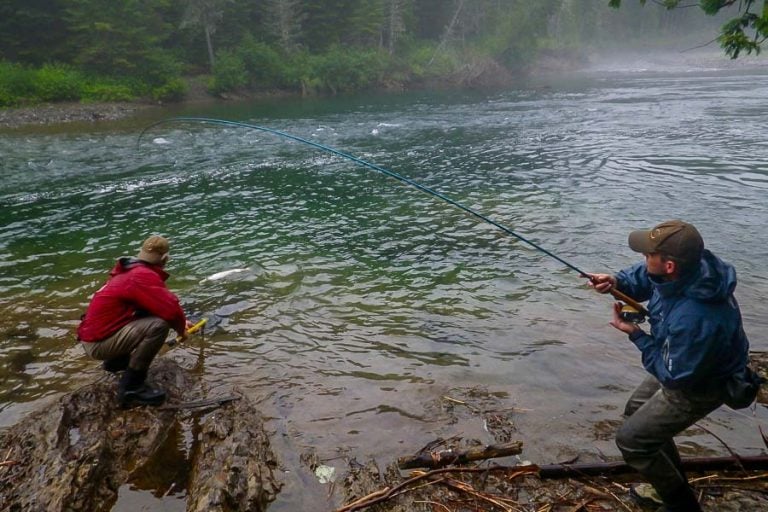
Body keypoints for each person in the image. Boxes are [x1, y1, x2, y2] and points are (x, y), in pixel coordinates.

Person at [590, 220, 759, 512]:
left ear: (669, 265)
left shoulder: (696, 318)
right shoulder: (687, 270)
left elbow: (674, 375)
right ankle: (665, 483)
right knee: (635, 411)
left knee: (632, 441)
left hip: (698, 381)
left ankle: (681, 505)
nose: (644, 259)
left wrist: (637, 335)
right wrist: (616, 282)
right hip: (680, 358)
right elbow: (645, 277)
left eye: (648, 255)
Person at [77, 235, 189, 408]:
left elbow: (156, 306)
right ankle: (131, 388)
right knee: (158, 326)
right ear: (165, 259)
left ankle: (117, 363)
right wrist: (182, 330)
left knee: (149, 316)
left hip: (94, 338)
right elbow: (171, 308)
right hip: (98, 345)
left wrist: (182, 321)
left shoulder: (129, 271)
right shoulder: (142, 276)